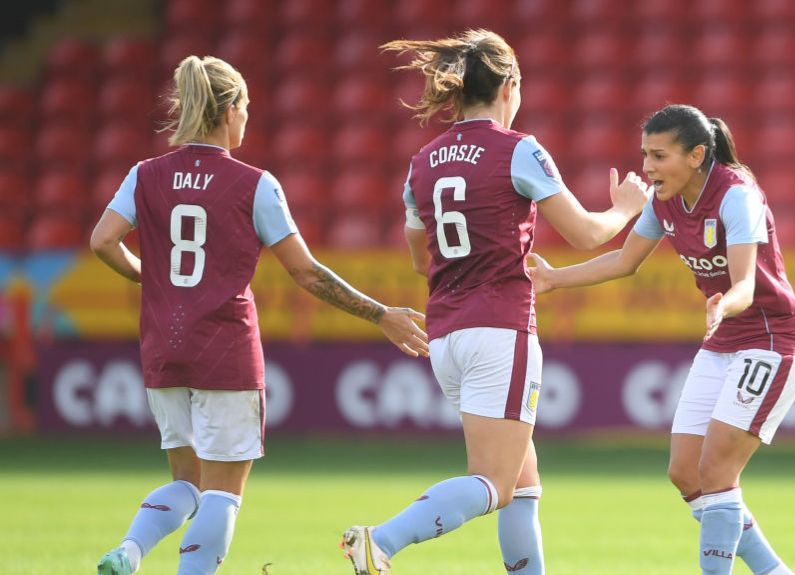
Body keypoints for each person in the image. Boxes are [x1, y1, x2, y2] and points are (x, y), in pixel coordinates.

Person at [90, 55, 429, 575]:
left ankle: (130, 551)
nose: (248, 117)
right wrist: (381, 313)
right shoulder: (255, 184)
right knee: (224, 492)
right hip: (224, 349)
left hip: (163, 345)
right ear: (228, 110)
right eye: (246, 107)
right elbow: (307, 273)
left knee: (186, 483)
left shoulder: (144, 175)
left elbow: (102, 241)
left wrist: (148, 274)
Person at [339, 29, 650, 575]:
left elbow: (420, 260)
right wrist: (625, 208)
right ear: (510, 86)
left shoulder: (424, 162)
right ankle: (381, 541)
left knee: (523, 483)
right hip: (500, 329)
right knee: (494, 483)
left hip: (446, 335)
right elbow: (584, 233)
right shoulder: (518, 149)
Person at [530, 104, 795, 575]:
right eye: (645, 154)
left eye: (659, 156)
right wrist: (556, 279)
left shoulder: (736, 197)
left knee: (718, 474)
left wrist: (723, 305)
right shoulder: (664, 202)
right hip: (724, 341)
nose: (647, 168)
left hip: (771, 339)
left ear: (697, 154)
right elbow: (624, 260)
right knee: (685, 472)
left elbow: (743, 284)